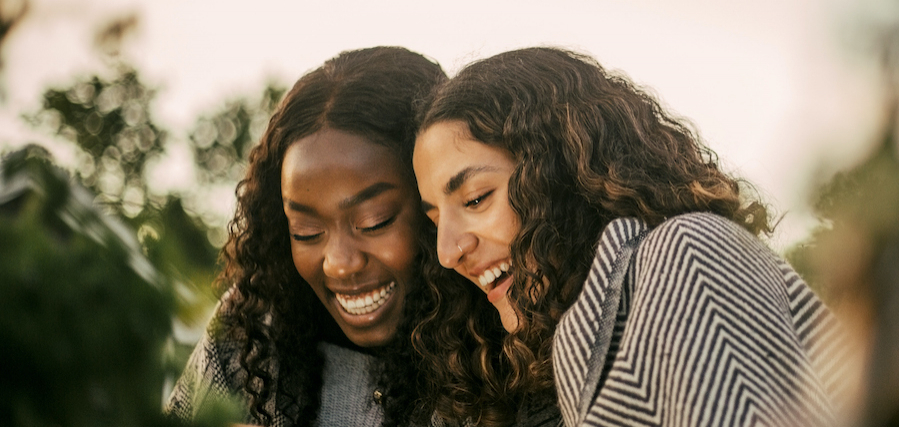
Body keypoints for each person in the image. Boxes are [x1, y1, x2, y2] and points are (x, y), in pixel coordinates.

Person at [413, 47, 852, 427]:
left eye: (475, 199)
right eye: (435, 221)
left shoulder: (692, 256)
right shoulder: (516, 373)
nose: (448, 251)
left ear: (563, 171)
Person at [166, 46, 488, 427]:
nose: (339, 262)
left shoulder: (513, 347)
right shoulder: (250, 332)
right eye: (307, 232)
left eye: (374, 222)